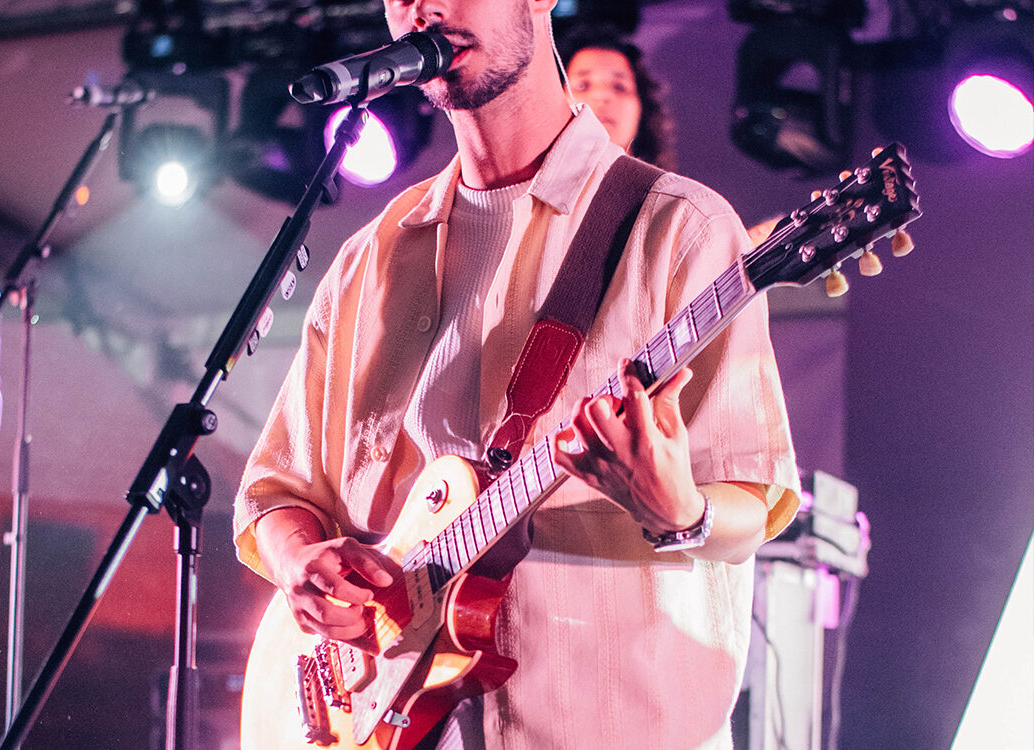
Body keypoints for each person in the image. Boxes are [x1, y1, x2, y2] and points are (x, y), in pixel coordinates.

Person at [234, 1, 800, 748]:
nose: (424, 8)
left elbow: (756, 494)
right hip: (374, 715)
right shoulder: (370, 259)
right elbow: (278, 491)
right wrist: (302, 562)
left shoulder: (680, 228)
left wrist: (680, 507)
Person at [559, 23, 678, 171]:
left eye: (619, 87)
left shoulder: (675, 193)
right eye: (583, 85)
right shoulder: (525, 193)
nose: (602, 96)